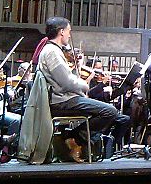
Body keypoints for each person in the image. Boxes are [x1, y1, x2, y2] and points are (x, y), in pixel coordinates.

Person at [37, 16, 130, 162]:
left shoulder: (53, 50)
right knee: (110, 111)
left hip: (64, 99)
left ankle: (72, 139)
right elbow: (66, 82)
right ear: (61, 32)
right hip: (62, 101)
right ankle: (73, 138)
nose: (69, 35)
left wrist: (77, 67)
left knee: (110, 112)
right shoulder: (52, 52)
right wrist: (85, 85)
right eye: (69, 31)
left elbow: (67, 78)